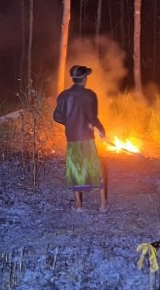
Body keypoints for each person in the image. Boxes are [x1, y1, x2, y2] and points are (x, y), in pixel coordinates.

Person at [53, 65, 108, 213]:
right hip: (87, 138)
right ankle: (102, 205)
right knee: (95, 168)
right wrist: (101, 130)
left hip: (72, 138)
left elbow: (57, 116)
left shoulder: (64, 95)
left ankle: (78, 206)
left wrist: (70, 122)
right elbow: (92, 117)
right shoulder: (90, 95)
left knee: (75, 169)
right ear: (84, 79)